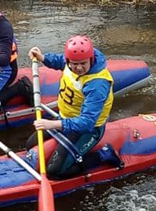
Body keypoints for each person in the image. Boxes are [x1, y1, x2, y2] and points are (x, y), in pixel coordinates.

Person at [27, 35, 113, 179]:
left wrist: (52, 124)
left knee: (54, 172)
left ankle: (103, 155)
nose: (79, 68)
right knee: (30, 144)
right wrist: (43, 57)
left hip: (89, 129)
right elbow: (60, 61)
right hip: (66, 118)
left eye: (83, 63)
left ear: (91, 59)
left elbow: (86, 123)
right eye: (74, 64)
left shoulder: (97, 84)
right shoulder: (69, 62)